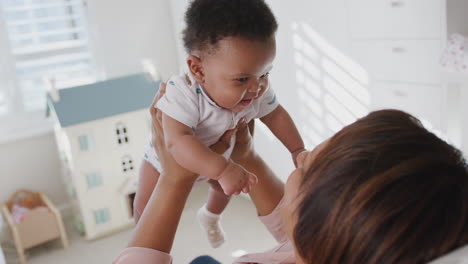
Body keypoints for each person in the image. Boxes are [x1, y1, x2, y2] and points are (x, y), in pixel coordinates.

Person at [114, 83, 468, 264]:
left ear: (315, 227)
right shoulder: (318, 251)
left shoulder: (307, 244)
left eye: (310, 162)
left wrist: (174, 182)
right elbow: (288, 229)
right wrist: (247, 155)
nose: (304, 155)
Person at [134, 0, 305, 248]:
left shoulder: (255, 89)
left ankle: (211, 216)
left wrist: (297, 149)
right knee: (144, 205)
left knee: (228, 189)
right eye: (242, 79)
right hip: (163, 165)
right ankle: (141, 240)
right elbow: (177, 141)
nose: (257, 88)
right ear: (198, 70)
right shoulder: (182, 93)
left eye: (265, 74)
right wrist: (222, 170)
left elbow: (276, 115)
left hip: (223, 156)